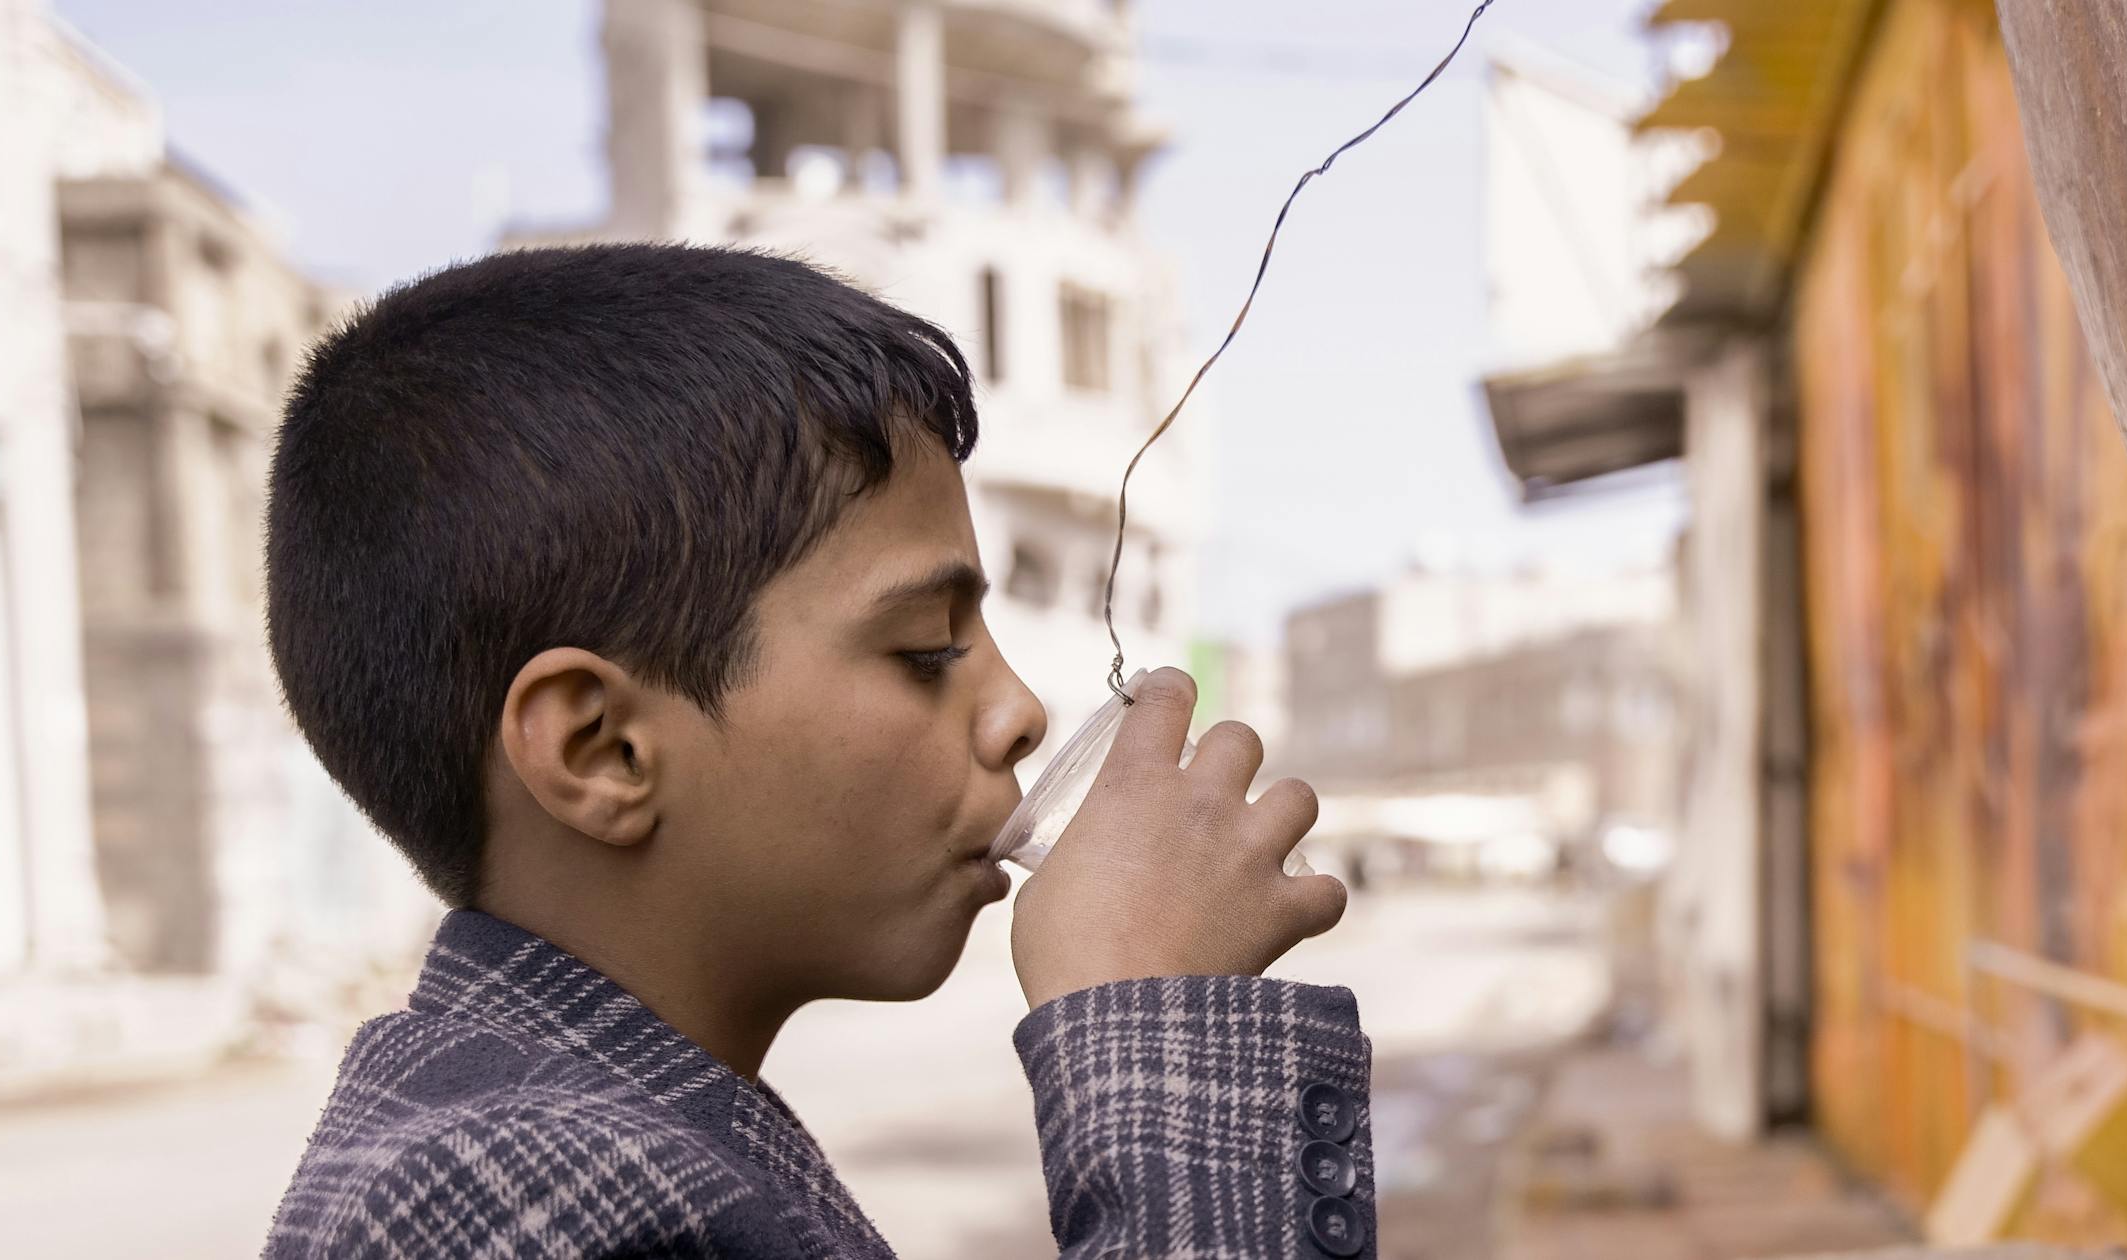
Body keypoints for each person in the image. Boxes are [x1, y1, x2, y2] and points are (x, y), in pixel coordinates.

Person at [259, 245, 1370, 1259]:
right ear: (602, 752)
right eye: (927, 648)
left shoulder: (593, 1126)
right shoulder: (499, 1193)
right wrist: (1160, 1038)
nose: (1021, 711)